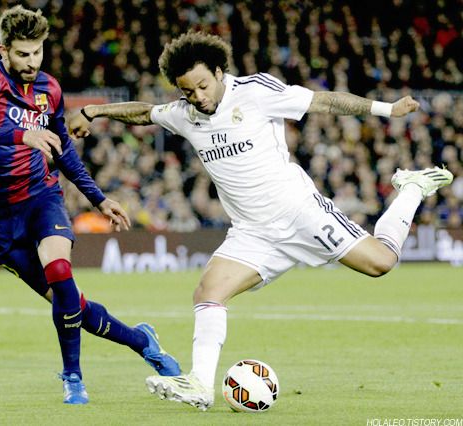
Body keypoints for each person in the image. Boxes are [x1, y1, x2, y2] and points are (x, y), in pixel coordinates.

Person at [69, 31, 454, 410]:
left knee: (382, 263)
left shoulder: (255, 92)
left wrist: (386, 109)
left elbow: (324, 101)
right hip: (252, 233)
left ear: (219, 72)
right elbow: (144, 112)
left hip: (299, 213)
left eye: (203, 86)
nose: (198, 97)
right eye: (188, 91)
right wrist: (95, 111)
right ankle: (200, 383)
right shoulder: (186, 114)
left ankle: (410, 188)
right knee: (208, 293)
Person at [0, 5, 180, 405]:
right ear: (4, 50)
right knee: (70, 302)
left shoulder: (50, 90)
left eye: (37, 52)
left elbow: (64, 152)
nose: (31, 61)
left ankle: (73, 377)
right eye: (22, 54)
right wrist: (22, 136)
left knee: (60, 271)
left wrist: (99, 198)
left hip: (41, 198)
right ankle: (141, 340)